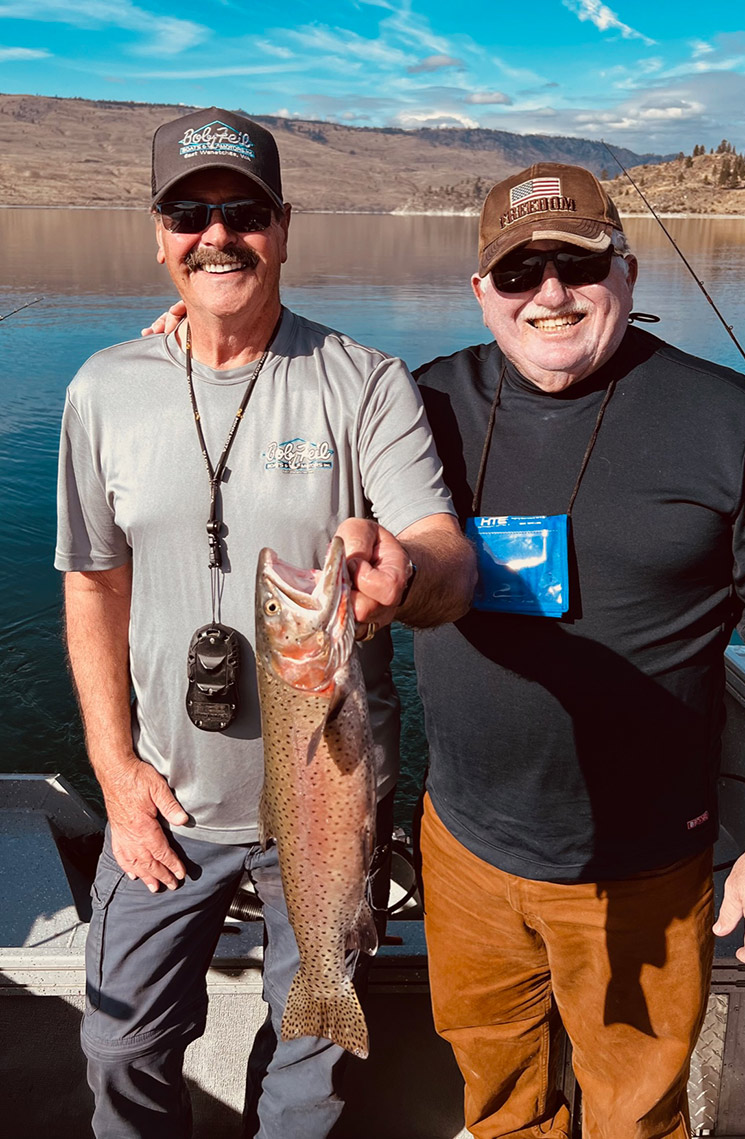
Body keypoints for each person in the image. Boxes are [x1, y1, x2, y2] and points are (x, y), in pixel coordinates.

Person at [55, 105, 474, 1139]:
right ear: (158, 235)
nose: (216, 234)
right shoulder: (103, 389)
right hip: (167, 806)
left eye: (240, 210)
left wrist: (407, 567)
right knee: (119, 1046)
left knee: (313, 1059)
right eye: (189, 212)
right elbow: (92, 586)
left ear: (282, 225)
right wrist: (115, 771)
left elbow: (448, 558)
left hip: (328, 811)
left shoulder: (365, 381)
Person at [410, 164, 745, 1139]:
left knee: (636, 1106)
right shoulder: (417, 407)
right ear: (483, 291)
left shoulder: (730, 422)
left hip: (647, 861)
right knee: (495, 1091)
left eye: (577, 261)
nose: (551, 291)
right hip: (465, 849)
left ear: (627, 270)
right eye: (520, 271)